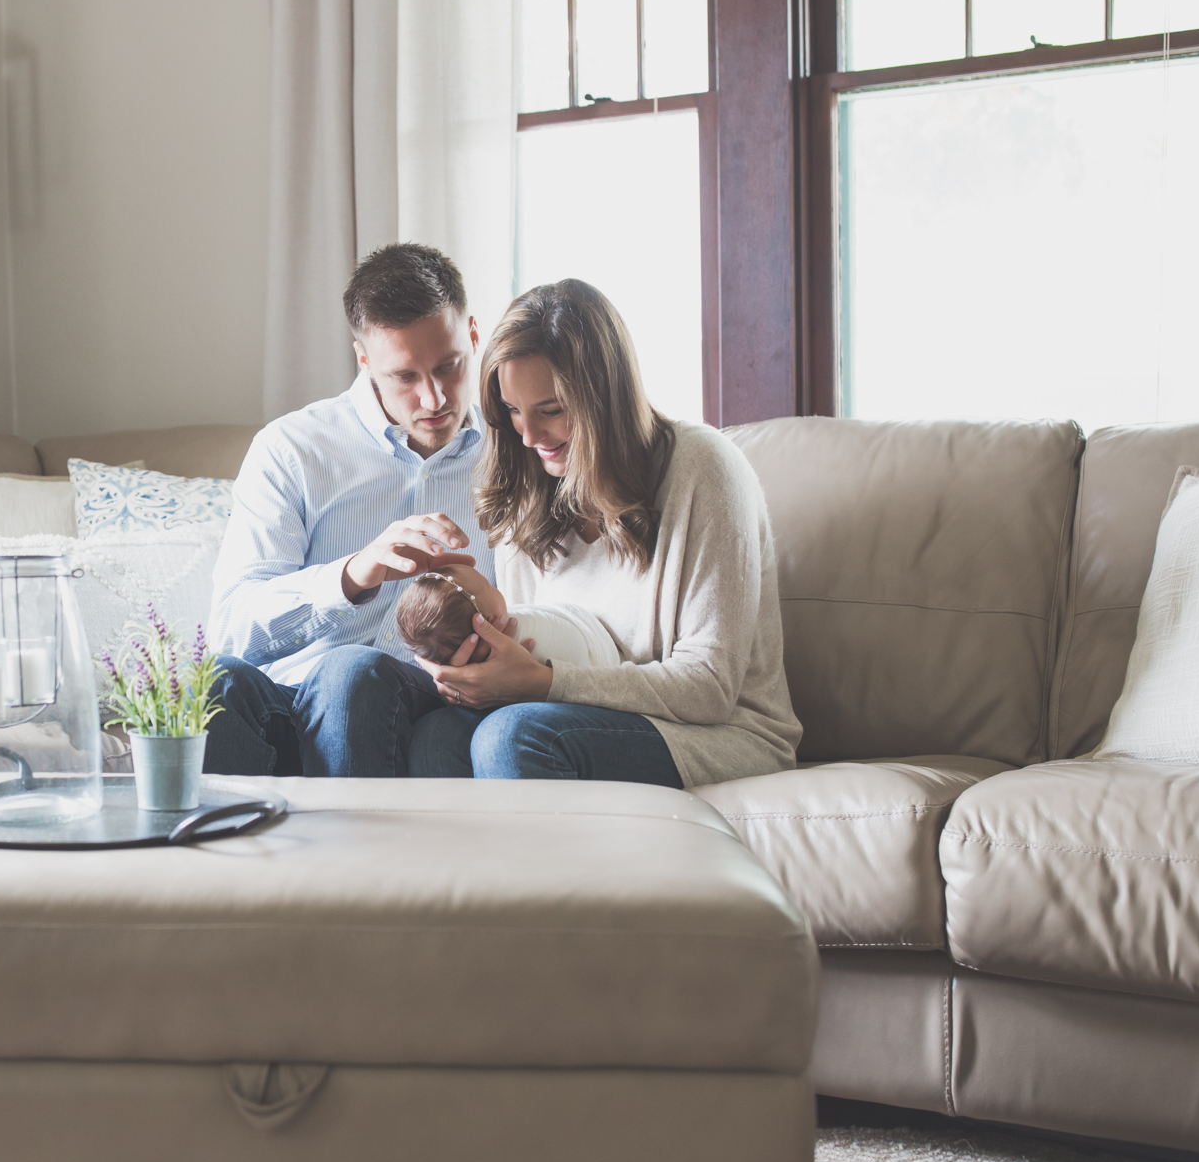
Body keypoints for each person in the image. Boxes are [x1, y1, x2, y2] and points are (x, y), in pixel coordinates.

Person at [407, 279, 801, 786]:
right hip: (579, 721)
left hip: (723, 733)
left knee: (512, 737)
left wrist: (545, 684)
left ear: (605, 398)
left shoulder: (704, 468)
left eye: (551, 411)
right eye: (512, 411)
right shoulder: (528, 490)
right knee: (436, 736)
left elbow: (710, 689)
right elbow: (530, 640)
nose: (528, 436)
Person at [204, 243, 499, 776]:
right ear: (364, 361)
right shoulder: (292, 450)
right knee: (216, 681)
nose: (433, 399)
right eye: (405, 377)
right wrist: (348, 576)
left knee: (351, 673)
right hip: (291, 700)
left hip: (425, 701)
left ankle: (347, 859)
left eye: (449, 367)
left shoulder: (514, 456)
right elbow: (229, 628)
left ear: (473, 336)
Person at [393, 565, 621, 671]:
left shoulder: (460, 672)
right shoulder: (519, 629)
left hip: (593, 666)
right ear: (488, 622)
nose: (494, 586)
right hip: (597, 652)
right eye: (487, 585)